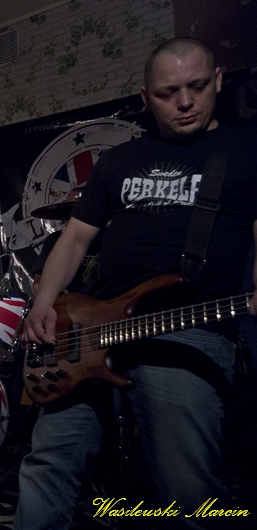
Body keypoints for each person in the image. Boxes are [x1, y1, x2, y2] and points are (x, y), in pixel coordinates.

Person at [15, 38, 257, 529]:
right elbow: (75, 239)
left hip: (186, 328)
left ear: (218, 81)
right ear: (146, 98)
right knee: (47, 465)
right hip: (90, 328)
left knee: (187, 491)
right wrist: (44, 301)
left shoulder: (244, 151)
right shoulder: (119, 161)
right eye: (168, 93)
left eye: (196, 86)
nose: (184, 101)